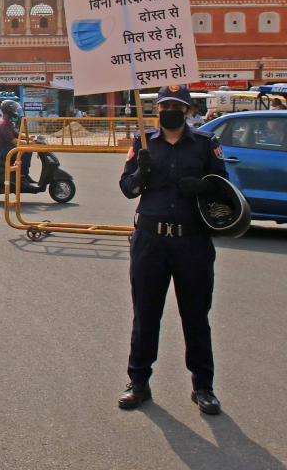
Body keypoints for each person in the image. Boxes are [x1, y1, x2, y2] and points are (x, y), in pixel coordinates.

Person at [117, 85, 228, 415]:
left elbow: (223, 187)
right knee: (146, 314)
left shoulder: (205, 145)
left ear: (189, 110)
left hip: (192, 241)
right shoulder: (143, 142)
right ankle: (138, 382)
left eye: (176, 105)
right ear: (157, 110)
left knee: (195, 316)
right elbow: (127, 188)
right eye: (164, 105)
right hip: (150, 241)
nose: (169, 110)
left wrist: (203, 186)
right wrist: (142, 170)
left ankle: (203, 387)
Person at [0, 100, 32, 183]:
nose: (15, 111)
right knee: (26, 151)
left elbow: (16, 134)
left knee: (27, 149)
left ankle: (23, 174)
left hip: (7, 147)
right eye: (13, 109)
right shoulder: (3, 123)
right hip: (2, 149)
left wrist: (29, 138)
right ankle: (22, 175)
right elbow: (14, 140)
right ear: (8, 110)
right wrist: (29, 143)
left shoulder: (8, 121)